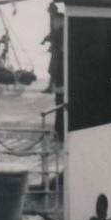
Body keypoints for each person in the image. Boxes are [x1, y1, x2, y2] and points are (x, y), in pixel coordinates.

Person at [41, 8, 65, 140]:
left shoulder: (61, 33)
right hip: (57, 70)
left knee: (60, 104)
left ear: (61, 21)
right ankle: (59, 131)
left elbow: (53, 35)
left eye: (56, 21)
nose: (54, 23)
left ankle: (60, 132)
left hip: (60, 72)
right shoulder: (59, 32)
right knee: (59, 104)